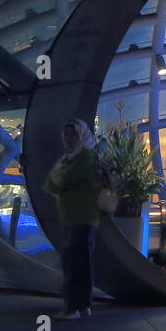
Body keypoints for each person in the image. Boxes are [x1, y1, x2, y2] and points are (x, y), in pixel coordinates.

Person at [45, 119, 102, 320]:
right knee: (81, 263)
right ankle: (83, 305)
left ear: (82, 136)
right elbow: (53, 185)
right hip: (76, 218)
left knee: (74, 263)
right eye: (66, 134)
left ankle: (71, 308)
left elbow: (58, 183)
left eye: (73, 134)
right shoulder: (71, 158)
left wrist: (62, 180)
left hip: (81, 217)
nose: (68, 139)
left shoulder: (84, 157)